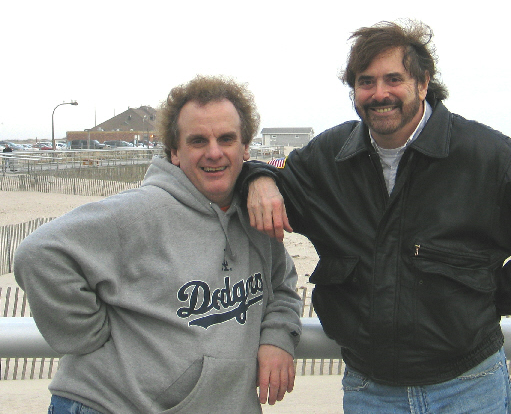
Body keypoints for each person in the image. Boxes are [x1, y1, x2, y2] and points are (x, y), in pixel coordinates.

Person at [243, 20, 511, 413]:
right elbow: (259, 181)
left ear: (423, 83)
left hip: (469, 386)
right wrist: (260, 178)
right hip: (371, 390)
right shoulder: (329, 157)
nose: (379, 93)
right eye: (366, 82)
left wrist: (497, 296)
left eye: (393, 79)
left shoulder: (483, 154)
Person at [14, 75, 302, 414]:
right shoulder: (141, 212)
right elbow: (40, 255)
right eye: (198, 141)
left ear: (245, 148)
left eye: (226, 138)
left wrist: (278, 337)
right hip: (110, 404)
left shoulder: (258, 219)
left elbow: (282, 286)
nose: (214, 152)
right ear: (175, 152)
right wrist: (91, 338)